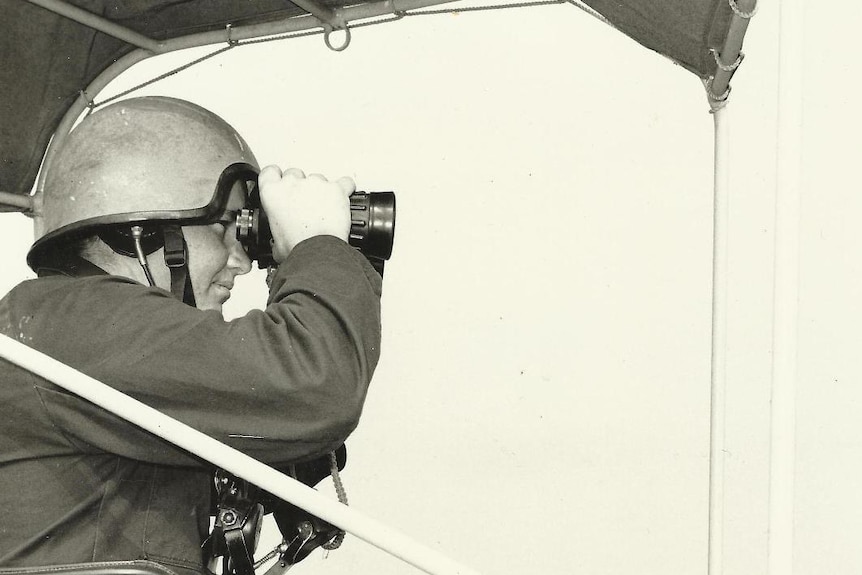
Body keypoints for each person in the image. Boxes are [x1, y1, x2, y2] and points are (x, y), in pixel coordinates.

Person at [0, 97, 382, 575]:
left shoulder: (57, 326)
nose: (242, 262)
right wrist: (318, 248)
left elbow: (291, 408)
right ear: (137, 234)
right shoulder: (76, 321)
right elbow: (313, 382)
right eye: (224, 228)